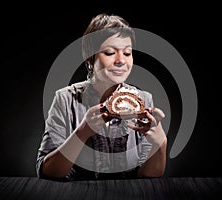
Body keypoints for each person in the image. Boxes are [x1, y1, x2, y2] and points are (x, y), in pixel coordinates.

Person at [36, 13, 167, 181]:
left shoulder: (143, 100)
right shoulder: (66, 99)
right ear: (91, 58)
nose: (121, 60)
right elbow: (47, 172)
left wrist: (160, 144)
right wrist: (82, 133)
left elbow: (147, 177)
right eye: (110, 52)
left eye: (127, 53)